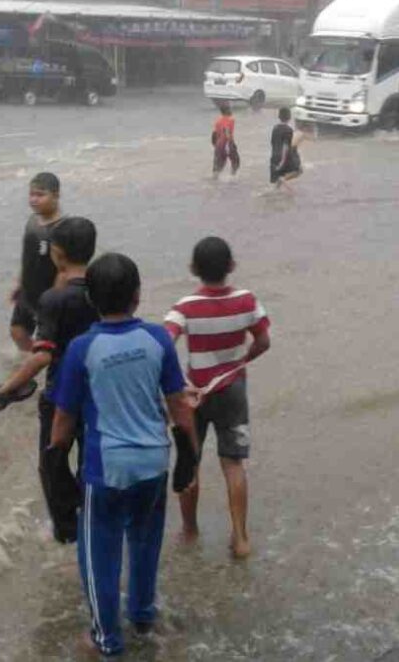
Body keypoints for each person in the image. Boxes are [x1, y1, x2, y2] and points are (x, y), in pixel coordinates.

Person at [50, 253, 198, 656]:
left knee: (100, 553)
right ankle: (144, 615)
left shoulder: (83, 348)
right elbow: (179, 406)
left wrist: (56, 468)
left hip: (107, 470)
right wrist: (190, 457)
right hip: (154, 463)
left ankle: (106, 638)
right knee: (145, 542)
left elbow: (63, 421)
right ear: (137, 296)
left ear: (92, 301)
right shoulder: (157, 339)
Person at [0, 217, 99, 543]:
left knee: (52, 463)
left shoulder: (54, 300)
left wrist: (2, 392)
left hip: (61, 395)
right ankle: (94, 518)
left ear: (57, 253)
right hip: (100, 392)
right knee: (91, 460)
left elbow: (43, 355)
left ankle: (66, 532)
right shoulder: (104, 289)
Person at [164, 237, 271, 558]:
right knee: (234, 463)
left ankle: (190, 529)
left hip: (193, 394)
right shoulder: (247, 301)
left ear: (193, 269)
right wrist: (240, 362)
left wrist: (181, 383)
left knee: (190, 461)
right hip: (233, 389)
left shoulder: (184, 307)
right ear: (232, 266)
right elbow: (264, 341)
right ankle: (240, 537)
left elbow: (164, 345)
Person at [10, 173, 66, 353]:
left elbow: (63, 270)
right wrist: (19, 283)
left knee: (48, 341)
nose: (34, 200)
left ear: (56, 195)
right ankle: (30, 363)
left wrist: (55, 299)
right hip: (28, 291)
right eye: (31, 194)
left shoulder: (61, 229)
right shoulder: (32, 221)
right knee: (17, 331)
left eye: (40, 195)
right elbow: (28, 256)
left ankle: (44, 362)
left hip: (47, 296)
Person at [269, 107, 303, 188]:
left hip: (274, 155)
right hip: (283, 157)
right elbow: (286, 146)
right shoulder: (288, 130)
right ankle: (283, 179)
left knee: (276, 184)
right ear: (290, 117)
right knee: (298, 170)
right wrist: (282, 161)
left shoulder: (275, 128)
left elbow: (272, 142)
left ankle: (276, 196)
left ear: (279, 116)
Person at [212, 103, 240, 178]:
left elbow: (214, 134)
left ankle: (214, 181)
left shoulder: (218, 121)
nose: (231, 110)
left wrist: (215, 145)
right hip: (227, 143)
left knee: (218, 166)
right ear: (227, 111)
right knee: (236, 162)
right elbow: (226, 130)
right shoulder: (230, 120)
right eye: (230, 109)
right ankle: (232, 178)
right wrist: (229, 143)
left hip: (219, 145)